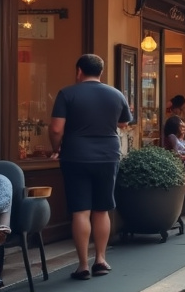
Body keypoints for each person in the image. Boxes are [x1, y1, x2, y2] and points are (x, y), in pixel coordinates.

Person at [49, 53, 132, 280]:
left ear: (79, 71)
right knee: (102, 209)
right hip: (108, 155)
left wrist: (56, 148)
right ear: (101, 72)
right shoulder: (116, 94)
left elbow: (56, 129)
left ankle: (83, 265)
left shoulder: (67, 93)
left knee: (81, 210)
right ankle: (101, 259)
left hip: (75, 156)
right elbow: (124, 122)